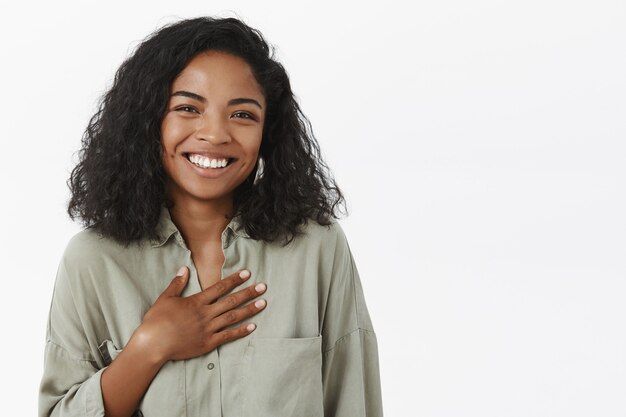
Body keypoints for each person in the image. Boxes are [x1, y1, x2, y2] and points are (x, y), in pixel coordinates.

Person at [39, 16, 383, 417]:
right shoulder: (92, 261)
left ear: (267, 132)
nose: (216, 134)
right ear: (149, 121)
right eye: (188, 108)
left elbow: (353, 399)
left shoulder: (317, 248)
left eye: (242, 115)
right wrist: (150, 346)